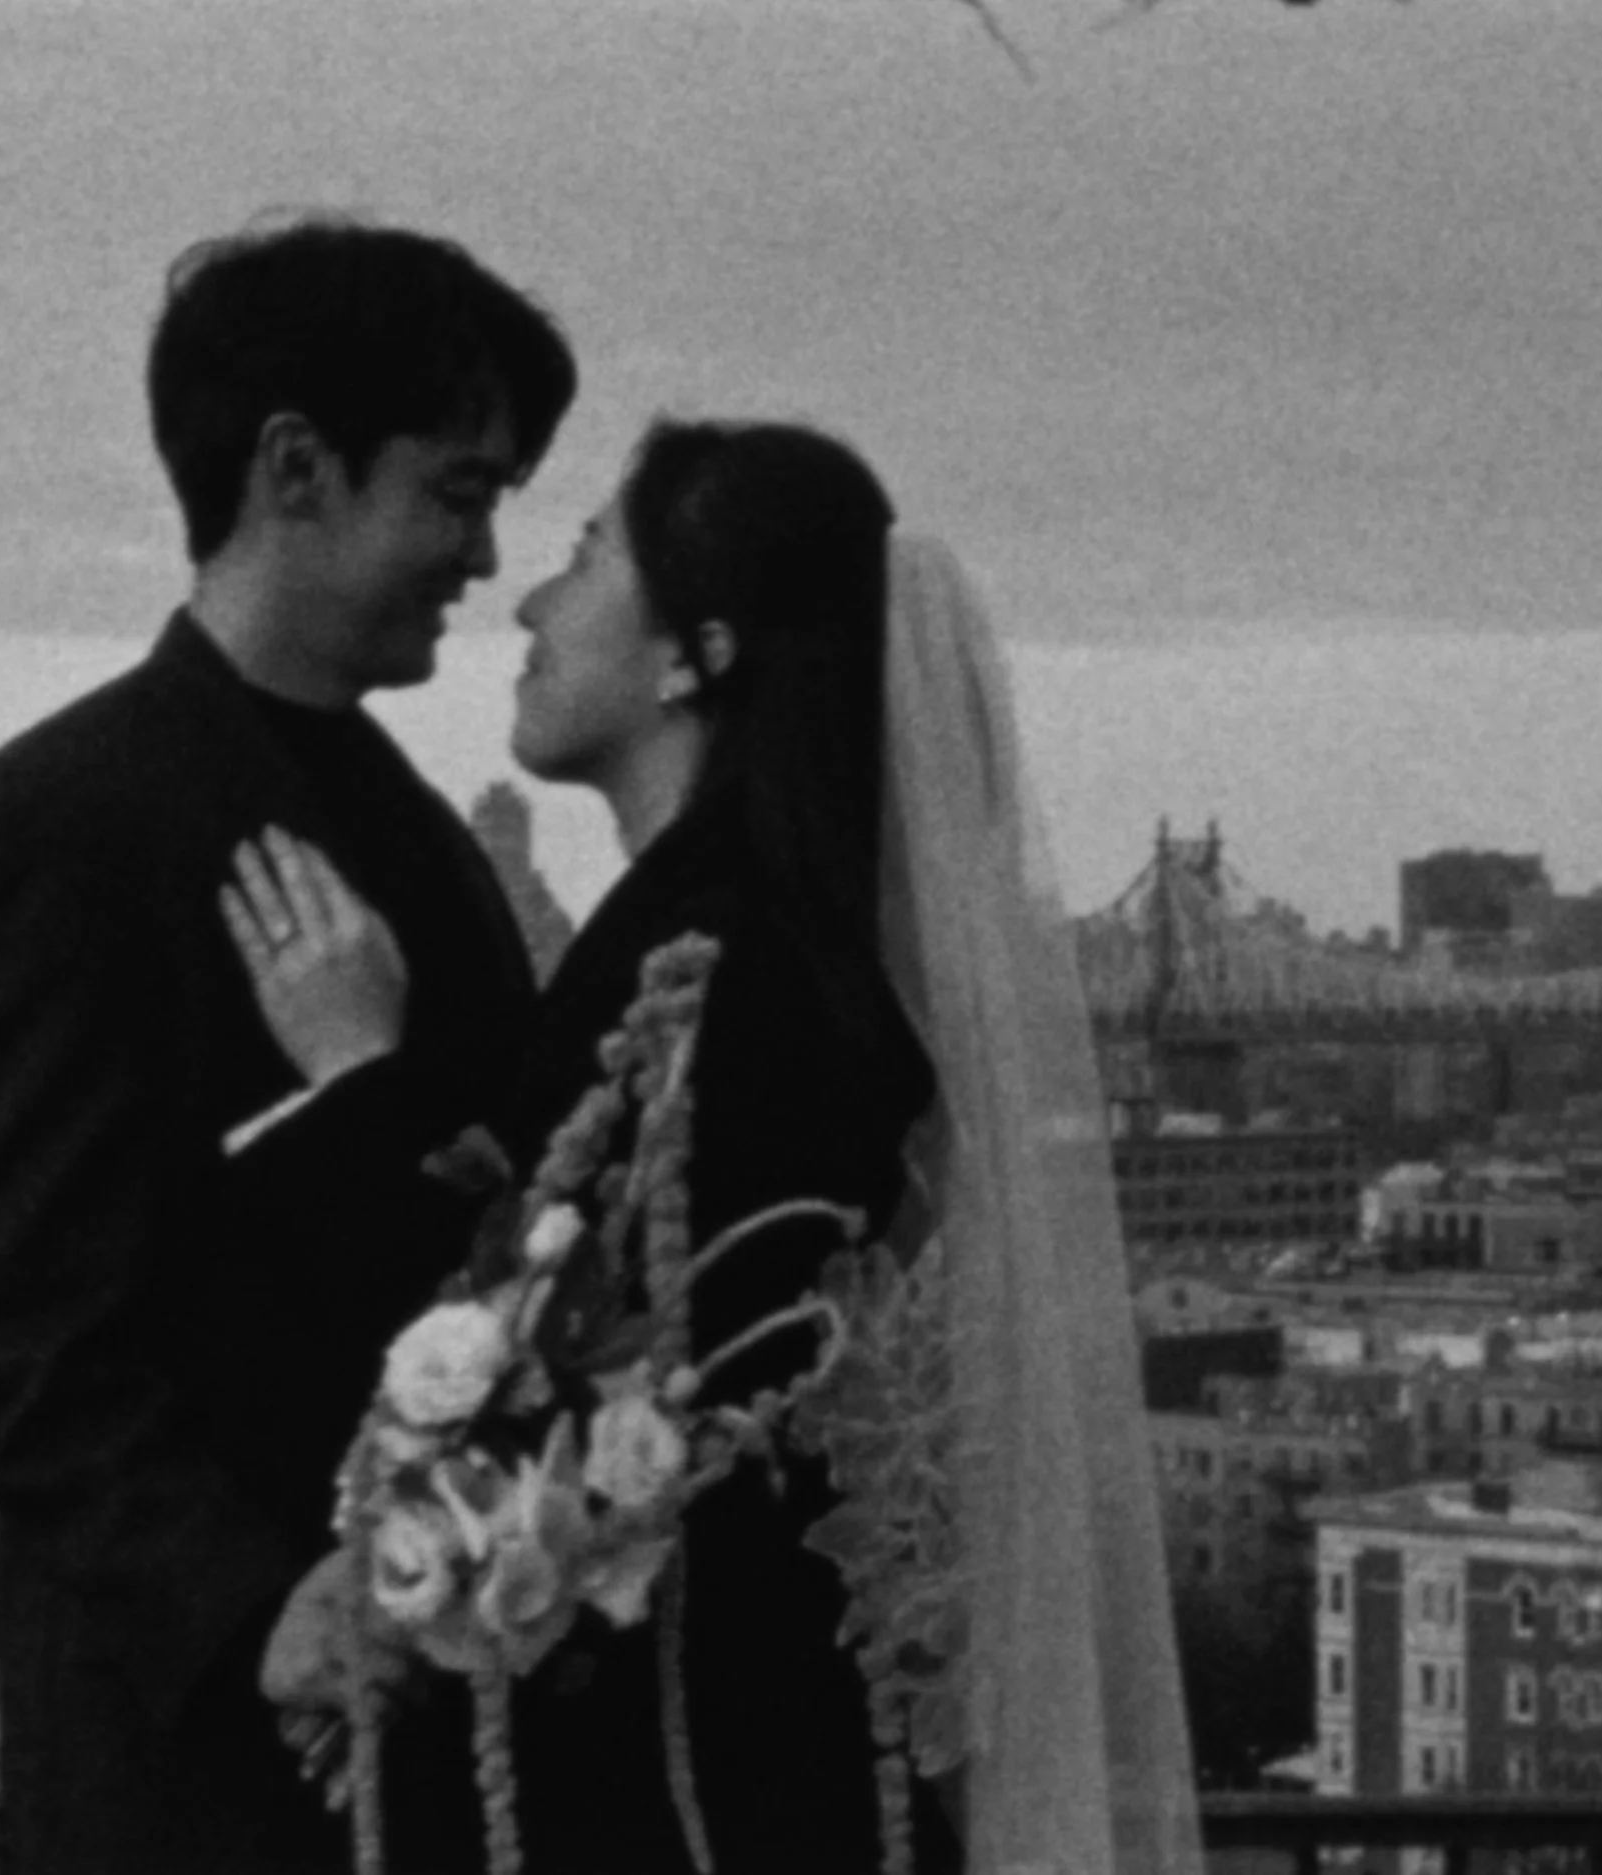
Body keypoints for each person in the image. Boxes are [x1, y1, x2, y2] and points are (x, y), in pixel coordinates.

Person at [234, 419, 1205, 1873]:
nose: (531, 601)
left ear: (697, 650)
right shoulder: (736, 944)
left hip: (693, 1803)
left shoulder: (731, 976)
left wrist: (359, 1078)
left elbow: (637, 1389)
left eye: (583, 555)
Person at [0, 217, 576, 1875]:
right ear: (296, 467)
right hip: (186, 1780)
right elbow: (12, 1337)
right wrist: (253, 1609)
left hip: (444, 1764)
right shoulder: (65, 827)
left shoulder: (429, 853)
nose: (483, 559)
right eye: (460, 492)